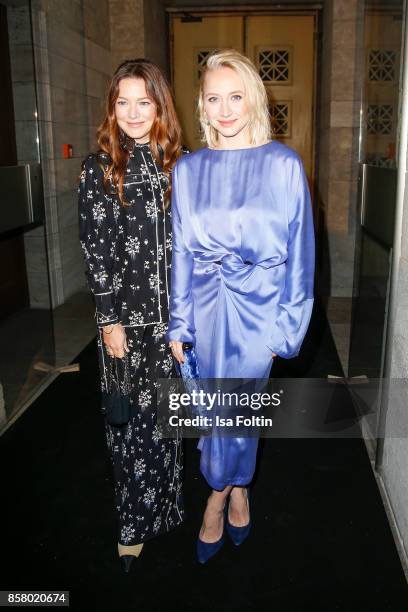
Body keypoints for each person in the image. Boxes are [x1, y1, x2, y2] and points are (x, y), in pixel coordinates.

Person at [167, 49, 315, 563]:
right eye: (213, 98)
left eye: (235, 96)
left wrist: (286, 331)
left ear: (253, 99)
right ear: (202, 106)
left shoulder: (284, 165)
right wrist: (179, 322)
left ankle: (217, 495)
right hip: (205, 311)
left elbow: (301, 256)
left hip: (260, 313)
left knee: (237, 413)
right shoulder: (187, 170)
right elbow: (182, 252)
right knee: (213, 411)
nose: (225, 109)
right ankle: (239, 488)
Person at [78, 59, 186, 573]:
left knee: (165, 422)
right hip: (124, 322)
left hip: (173, 322)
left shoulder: (178, 165)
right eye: (123, 101)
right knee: (126, 427)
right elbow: (95, 250)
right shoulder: (99, 167)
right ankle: (131, 526)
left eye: (144, 101)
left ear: (160, 105)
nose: (133, 112)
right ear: (111, 107)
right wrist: (108, 321)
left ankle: (166, 507)